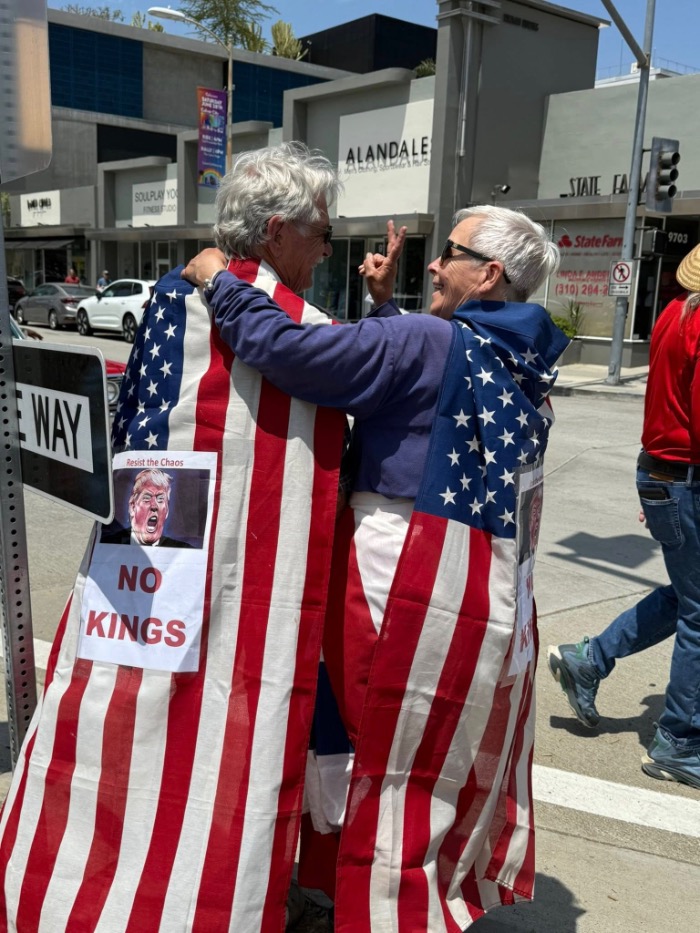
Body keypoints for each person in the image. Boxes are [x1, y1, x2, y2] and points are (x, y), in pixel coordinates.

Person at [182, 203, 568, 930]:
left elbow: (291, 352)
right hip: (476, 588)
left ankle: (384, 912)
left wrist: (217, 280)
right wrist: (385, 309)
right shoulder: (523, 355)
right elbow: (427, 396)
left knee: (377, 758)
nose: (433, 265)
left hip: (395, 575)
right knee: (422, 756)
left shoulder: (427, 339)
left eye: (448, 253)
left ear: (488, 273)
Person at [0, 142, 345, 933]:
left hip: (139, 560)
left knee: (125, 720)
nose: (328, 250)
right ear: (278, 231)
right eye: (323, 233)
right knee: (230, 735)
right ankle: (220, 893)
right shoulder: (304, 329)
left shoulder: (168, 296)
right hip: (232, 578)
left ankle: (87, 878)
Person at [547, 242, 700, 790]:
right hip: (685, 478)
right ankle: (679, 741)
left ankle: (591, 658)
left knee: (688, 598)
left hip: (665, 474)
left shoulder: (673, 314)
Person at [100, 468, 193, 547]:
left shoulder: (184, 551)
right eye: (147, 498)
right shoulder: (107, 544)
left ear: (167, 510)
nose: (154, 506)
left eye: (160, 499)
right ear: (132, 507)